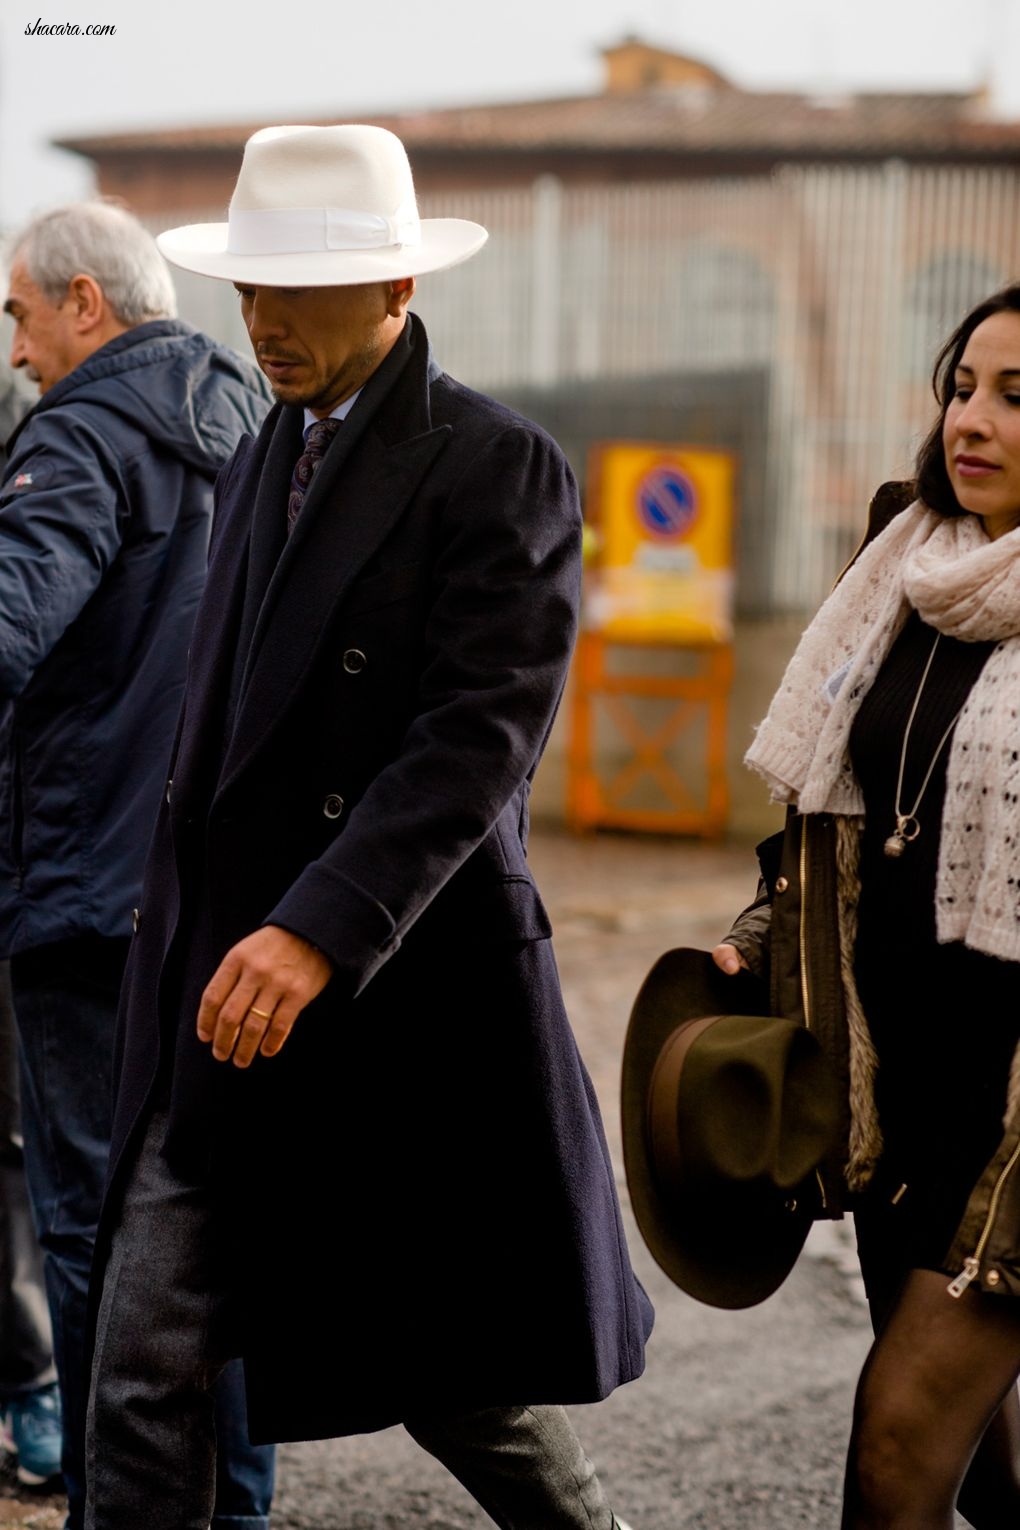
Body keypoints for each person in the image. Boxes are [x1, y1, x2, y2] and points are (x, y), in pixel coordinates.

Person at [84, 123, 650, 1530]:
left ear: (396, 291)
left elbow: (475, 740)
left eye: (297, 291)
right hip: (216, 994)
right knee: (139, 1368)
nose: (262, 321)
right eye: (249, 289)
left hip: (387, 997)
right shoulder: (257, 453)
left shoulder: (496, 464)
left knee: (457, 1385)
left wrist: (316, 927)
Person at [713, 284, 1020, 1528]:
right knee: (989, 1476)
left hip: (1012, 1124)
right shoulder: (903, 561)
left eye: (1016, 398)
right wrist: (755, 940)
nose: (974, 418)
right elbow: (831, 809)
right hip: (898, 1099)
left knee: (892, 1459)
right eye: (963, 386)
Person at [1, 202, 276, 1529]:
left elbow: (10, 623)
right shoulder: (252, 423)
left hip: (84, 896)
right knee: (206, 1216)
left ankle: (118, 1508)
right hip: (213, 904)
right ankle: (237, 1510)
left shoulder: (81, 430)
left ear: (84, 306)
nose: (17, 347)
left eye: (21, 314)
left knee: (92, 1224)